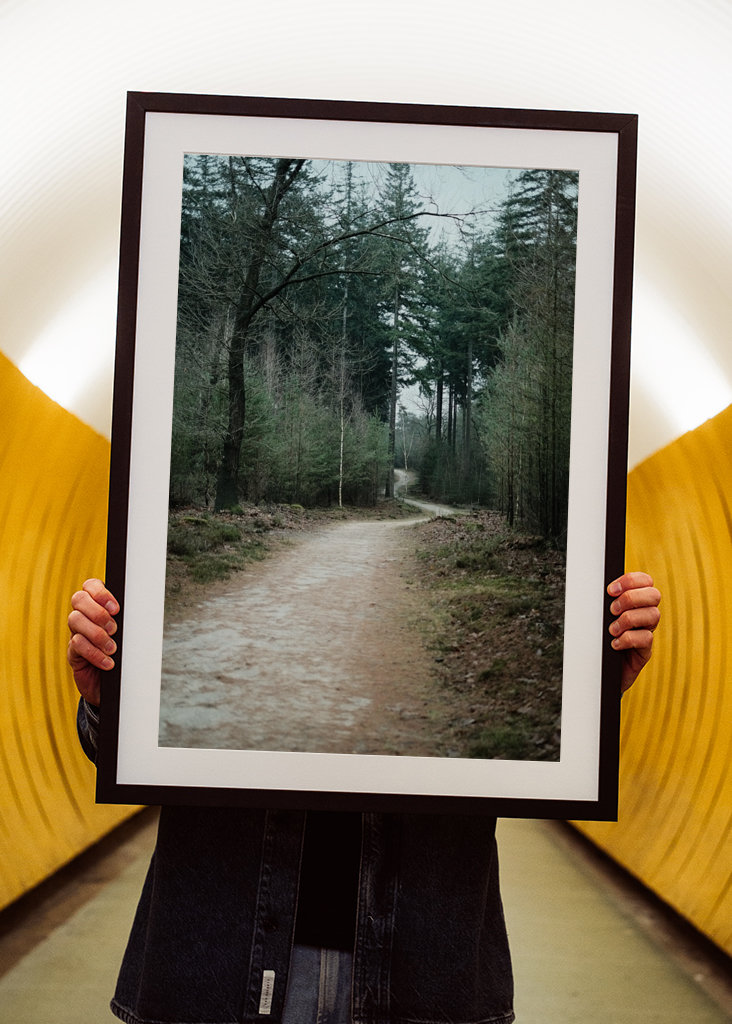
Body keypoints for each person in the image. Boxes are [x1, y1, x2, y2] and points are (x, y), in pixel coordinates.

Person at [68, 572, 661, 1024]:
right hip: (217, 960)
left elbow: (538, 757)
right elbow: (122, 753)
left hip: (424, 968)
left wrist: (586, 694)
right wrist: (109, 703)